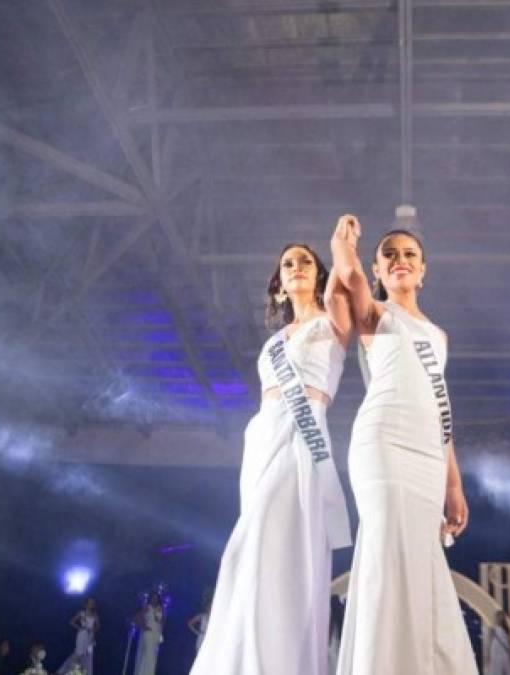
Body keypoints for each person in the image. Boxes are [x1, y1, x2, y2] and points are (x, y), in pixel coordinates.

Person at [189, 242, 353, 675]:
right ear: (278, 284)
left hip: (304, 437)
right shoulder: (275, 341)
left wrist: (341, 242)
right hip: (263, 437)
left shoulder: (333, 320)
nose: (297, 267)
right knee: (254, 551)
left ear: (319, 275)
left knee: (276, 546)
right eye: (287, 263)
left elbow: (348, 276)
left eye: (305, 262)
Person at [331, 217, 476, 674]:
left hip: (429, 457)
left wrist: (454, 484)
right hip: (384, 443)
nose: (400, 260)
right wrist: (343, 243)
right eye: (389, 254)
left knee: (423, 561)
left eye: (409, 254)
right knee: (388, 551)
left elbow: (441, 411)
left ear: (423, 270)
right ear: (377, 269)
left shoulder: (440, 336)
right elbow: (348, 276)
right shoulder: (375, 314)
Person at [58, 597, 99, 675]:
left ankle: (87, 672)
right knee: (78, 653)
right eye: (89, 603)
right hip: (82, 635)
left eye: (92, 603)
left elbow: (98, 626)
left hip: (90, 636)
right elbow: (71, 622)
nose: (91, 605)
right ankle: (65, 671)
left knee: (88, 654)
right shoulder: (81, 613)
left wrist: (93, 631)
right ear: (86, 604)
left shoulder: (94, 614)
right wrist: (80, 627)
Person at [135, 593, 164, 675]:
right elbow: (138, 616)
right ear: (150, 599)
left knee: (151, 655)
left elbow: (161, 621)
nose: (154, 600)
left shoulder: (160, 608)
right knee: (149, 655)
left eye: (156, 598)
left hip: (156, 633)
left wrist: (160, 632)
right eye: (153, 598)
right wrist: (143, 626)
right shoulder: (148, 607)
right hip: (149, 633)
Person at [485, 610, 510, 675]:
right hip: (497, 654)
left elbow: (509, 643)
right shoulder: (493, 629)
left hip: (503, 654)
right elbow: (489, 643)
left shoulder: (506, 630)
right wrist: (487, 655)